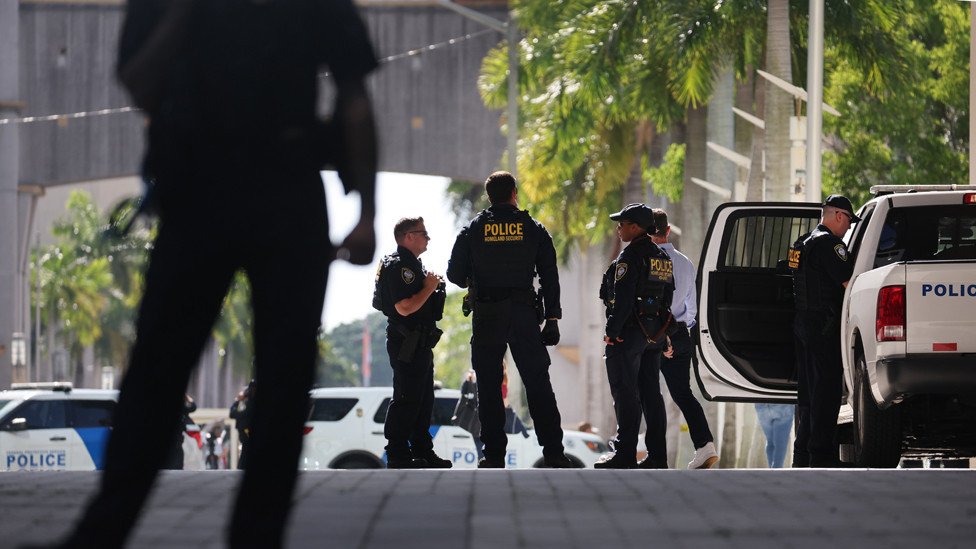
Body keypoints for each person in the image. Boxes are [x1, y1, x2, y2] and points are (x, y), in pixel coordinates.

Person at [35, 0, 379, 547]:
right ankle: (110, 532)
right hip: (213, 188)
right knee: (165, 370)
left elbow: (354, 97)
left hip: (264, 188)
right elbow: (141, 84)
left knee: (263, 379)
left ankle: (235, 534)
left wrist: (368, 211)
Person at [446, 171, 573, 469]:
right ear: (514, 192)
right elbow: (549, 276)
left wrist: (480, 275)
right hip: (523, 313)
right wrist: (552, 317)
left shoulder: (473, 230)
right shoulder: (533, 228)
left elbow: (454, 275)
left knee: (489, 386)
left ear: (489, 197)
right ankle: (554, 452)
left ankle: (492, 455)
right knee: (538, 383)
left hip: (488, 313)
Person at [595, 203, 675, 469]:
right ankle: (657, 456)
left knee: (625, 392)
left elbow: (624, 298)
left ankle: (625, 453)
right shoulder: (661, 257)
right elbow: (668, 296)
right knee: (652, 393)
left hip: (628, 334)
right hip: (654, 335)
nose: (618, 229)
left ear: (636, 227)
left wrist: (611, 332)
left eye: (622, 224)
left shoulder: (629, 258)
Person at [373, 217, 450, 468]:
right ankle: (397, 452)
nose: (428, 238)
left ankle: (422, 450)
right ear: (408, 237)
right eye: (423, 233)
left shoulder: (413, 265)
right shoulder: (399, 267)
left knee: (423, 398)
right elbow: (404, 307)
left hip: (420, 341)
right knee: (407, 396)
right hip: (406, 340)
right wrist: (429, 287)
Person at [789, 194, 858, 467]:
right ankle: (821, 456)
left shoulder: (802, 242)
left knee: (808, 393)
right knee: (826, 393)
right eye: (849, 220)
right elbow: (848, 284)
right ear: (838, 215)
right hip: (824, 327)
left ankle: (802, 455)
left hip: (803, 324)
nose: (849, 227)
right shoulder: (830, 245)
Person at [649, 208, 719, 470]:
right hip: (679, 332)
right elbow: (692, 307)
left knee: (643, 391)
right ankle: (705, 446)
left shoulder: (645, 259)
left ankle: (648, 451)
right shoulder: (685, 262)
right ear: (668, 231)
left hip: (651, 334)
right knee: (683, 394)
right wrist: (680, 330)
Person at [452, 370, 483, 460]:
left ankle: (483, 467)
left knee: (481, 451)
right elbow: (463, 397)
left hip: (477, 424)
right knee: (481, 451)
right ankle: (483, 467)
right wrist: (468, 382)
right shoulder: (471, 383)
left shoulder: (474, 382)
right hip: (476, 424)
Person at [755, 403, 794, 468]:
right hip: (783, 405)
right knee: (780, 445)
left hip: (762, 405)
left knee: (770, 442)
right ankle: (775, 475)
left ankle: (771, 471)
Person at [229, 381, 255, 470]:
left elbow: (233, 413)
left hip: (247, 437)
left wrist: (237, 400)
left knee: (243, 461)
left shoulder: (248, 404)